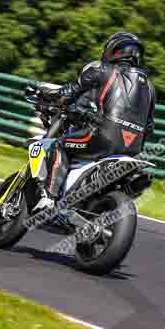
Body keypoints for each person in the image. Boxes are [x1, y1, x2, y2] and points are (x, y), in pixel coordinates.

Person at [33, 32, 156, 212]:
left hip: (102, 137)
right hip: (132, 148)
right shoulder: (150, 87)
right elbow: (150, 127)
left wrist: (44, 94)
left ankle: (48, 199)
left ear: (114, 50)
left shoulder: (101, 69)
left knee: (58, 145)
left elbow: (67, 93)